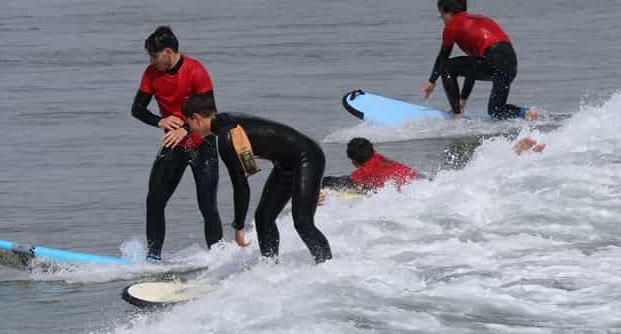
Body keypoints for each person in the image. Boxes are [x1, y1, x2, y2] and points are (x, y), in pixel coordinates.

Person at [182, 94, 333, 264]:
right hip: (287, 164)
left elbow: (241, 187)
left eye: (189, 124)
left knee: (303, 222)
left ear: (196, 119)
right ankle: (270, 269)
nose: (191, 130)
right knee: (263, 217)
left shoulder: (227, 138)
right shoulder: (225, 120)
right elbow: (248, 161)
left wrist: (238, 226)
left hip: (308, 158)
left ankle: (327, 266)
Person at [131, 26, 222, 261]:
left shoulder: (195, 70)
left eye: (154, 56)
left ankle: (219, 257)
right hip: (174, 144)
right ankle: (153, 259)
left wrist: (185, 128)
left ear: (168, 51)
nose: (151, 61)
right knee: (154, 200)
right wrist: (159, 120)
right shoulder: (151, 73)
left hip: (203, 143)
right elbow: (137, 109)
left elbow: (210, 112)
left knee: (207, 204)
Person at [420, 0, 539, 120]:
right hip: (511, 64)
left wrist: (432, 81)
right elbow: (472, 69)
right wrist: (463, 98)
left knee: (446, 67)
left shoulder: (452, 26)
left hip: (493, 58)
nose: (442, 20)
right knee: (495, 110)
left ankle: (456, 117)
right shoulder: (481, 20)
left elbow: (443, 58)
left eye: (442, 15)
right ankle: (525, 112)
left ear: (449, 13)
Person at [322, 137, 420, 192]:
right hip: (417, 180)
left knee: (327, 181)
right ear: (374, 151)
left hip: (399, 191)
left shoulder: (362, 173)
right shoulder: (380, 157)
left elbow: (347, 184)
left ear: (354, 162)